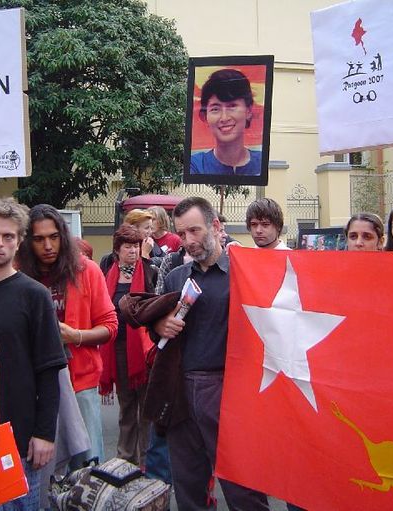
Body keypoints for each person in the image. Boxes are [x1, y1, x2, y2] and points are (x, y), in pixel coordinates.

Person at [154, 197, 269, 510]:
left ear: (216, 226)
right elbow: (159, 329)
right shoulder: (176, 278)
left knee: (243, 489)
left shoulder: (245, 273)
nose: (188, 241)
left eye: (195, 230)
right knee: (188, 486)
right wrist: (161, 324)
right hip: (181, 391)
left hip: (230, 390)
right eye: (182, 234)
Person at [0, 198, 67, 511]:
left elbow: (49, 370)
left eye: (8, 237)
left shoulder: (34, 295)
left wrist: (45, 434)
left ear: (19, 242)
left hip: (18, 437)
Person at [16, 204, 117, 469]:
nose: (48, 245)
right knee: (37, 463)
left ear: (63, 235)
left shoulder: (87, 270)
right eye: (38, 239)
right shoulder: (17, 274)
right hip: (31, 384)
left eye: (53, 237)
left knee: (86, 464)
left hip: (80, 380)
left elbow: (110, 325)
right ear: (27, 241)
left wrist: (76, 335)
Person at [99, 224, 157, 466]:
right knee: (126, 405)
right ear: (117, 250)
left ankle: (147, 460)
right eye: (128, 246)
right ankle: (125, 459)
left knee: (146, 409)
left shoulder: (149, 272)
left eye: (136, 246)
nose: (133, 251)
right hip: (119, 347)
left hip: (144, 349)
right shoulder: (108, 273)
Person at [190, 68, 261, 176]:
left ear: (249, 111)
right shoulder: (196, 165)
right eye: (215, 109)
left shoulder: (262, 162)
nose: (224, 118)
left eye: (232, 106)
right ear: (205, 116)